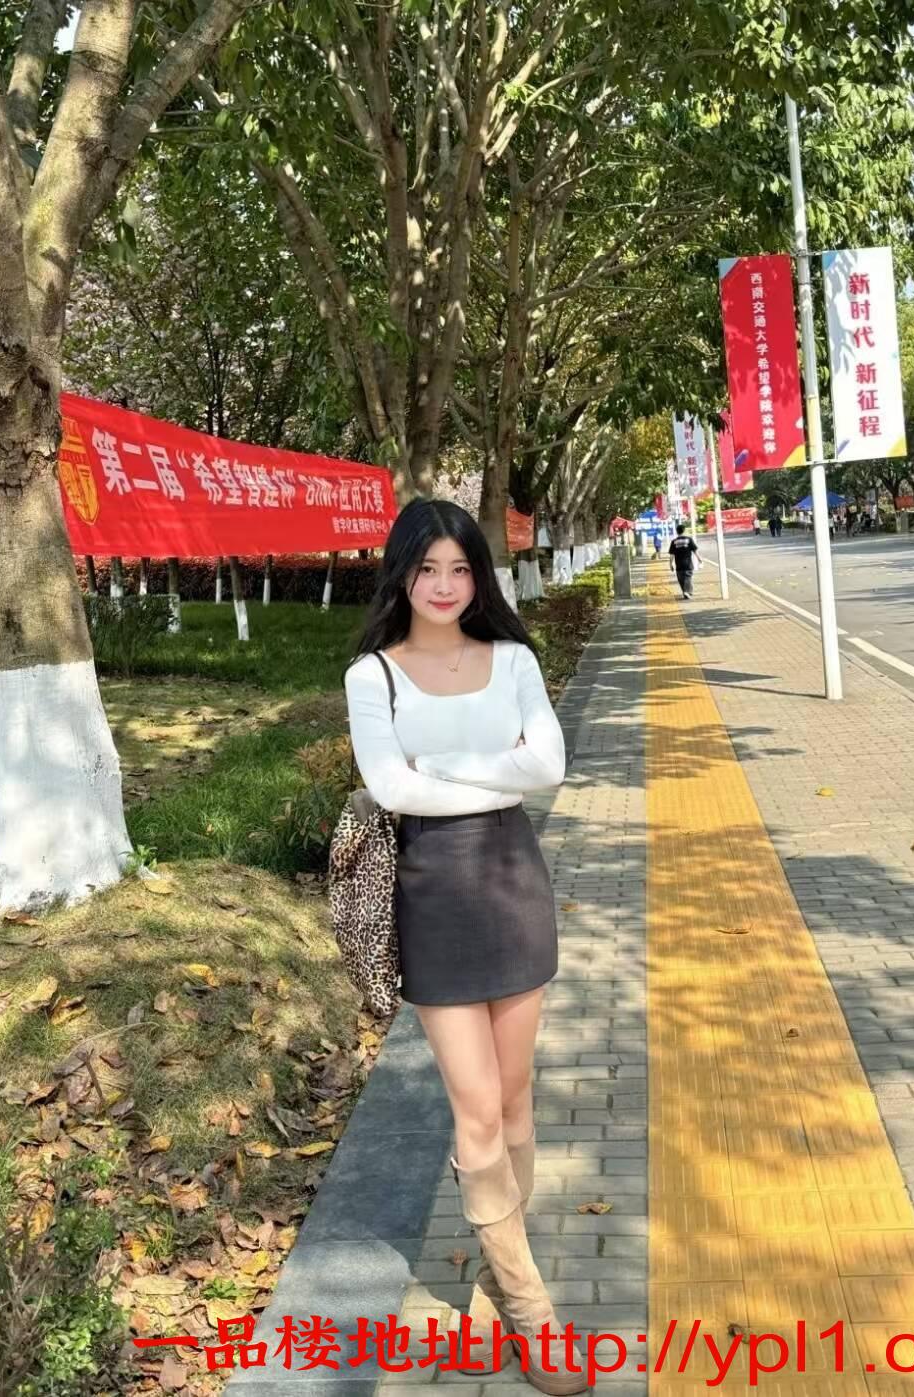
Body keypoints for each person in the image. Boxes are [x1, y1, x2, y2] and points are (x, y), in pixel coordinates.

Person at [343, 500, 587, 1394]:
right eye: (427, 568)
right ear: (401, 574)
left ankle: (493, 1279)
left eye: (459, 568)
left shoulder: (513, 659)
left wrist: (440, 772)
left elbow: (548, 767)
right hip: (433, 897)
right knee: (477, 1105)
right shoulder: (373, 675)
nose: (444, 585)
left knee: (516, 1099)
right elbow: (389, 788)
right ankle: (531, 1308)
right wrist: (492, 774)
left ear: (478, 575)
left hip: (513, 887)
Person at [669, 521, 699, 597]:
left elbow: (672, 555)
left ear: (677, 532)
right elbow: (695, 551)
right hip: (688, 563)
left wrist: (670, 564)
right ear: (684, 531)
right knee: (688, 577)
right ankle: (686, 592)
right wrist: (699, 559)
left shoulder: (674, 542)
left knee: (681, 579)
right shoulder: (689, 539)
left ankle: (686, 592)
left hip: (678, 564)